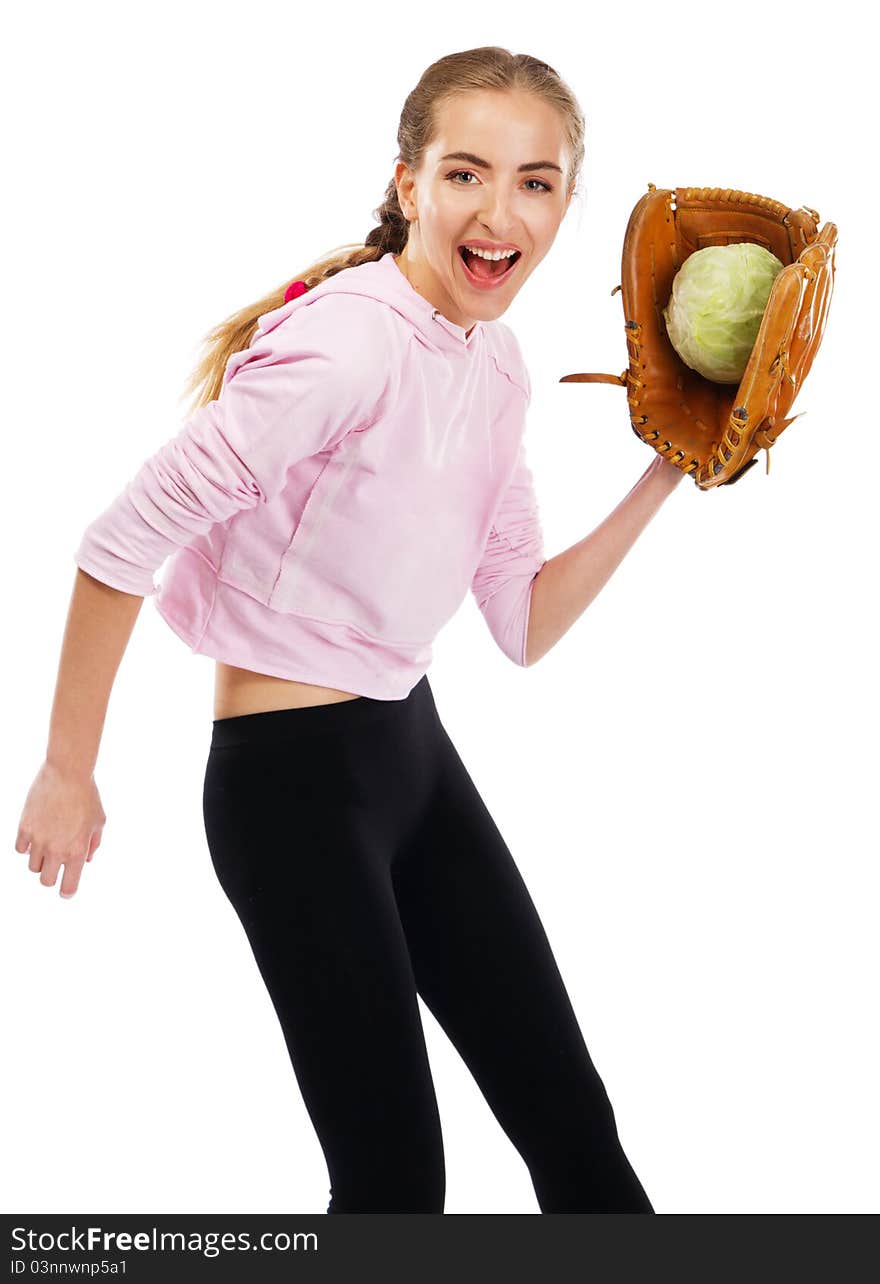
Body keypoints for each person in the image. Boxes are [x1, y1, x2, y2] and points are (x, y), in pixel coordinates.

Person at [14, 46, 683, 1213]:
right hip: (292, 791)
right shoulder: (345, 344)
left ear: (567, 206)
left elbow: (520, 621)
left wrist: (665, 473)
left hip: (409, 755)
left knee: (577, 1137)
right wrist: (69, 768)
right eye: (465, 172)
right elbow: (117, 542)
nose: (498, 210)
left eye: (535, 182)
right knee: (391, 1191)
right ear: (408, 182)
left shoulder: (498, 362)